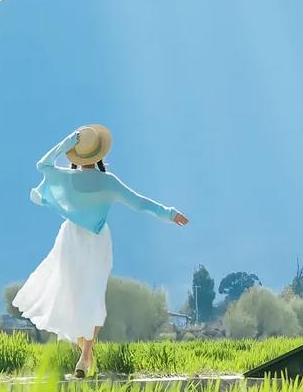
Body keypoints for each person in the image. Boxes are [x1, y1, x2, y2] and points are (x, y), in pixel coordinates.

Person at [12, 124, 188, 377]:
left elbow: (42, 165)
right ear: (100, 154)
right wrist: (170, 213)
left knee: (73, 295)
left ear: (75, 153)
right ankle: (86, 355)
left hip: (71, 239)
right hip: (97, 241)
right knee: (92, 295)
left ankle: (85, 355)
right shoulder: (108, 182)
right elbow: (139, 203)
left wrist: (67, 142)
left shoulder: (66, 178)